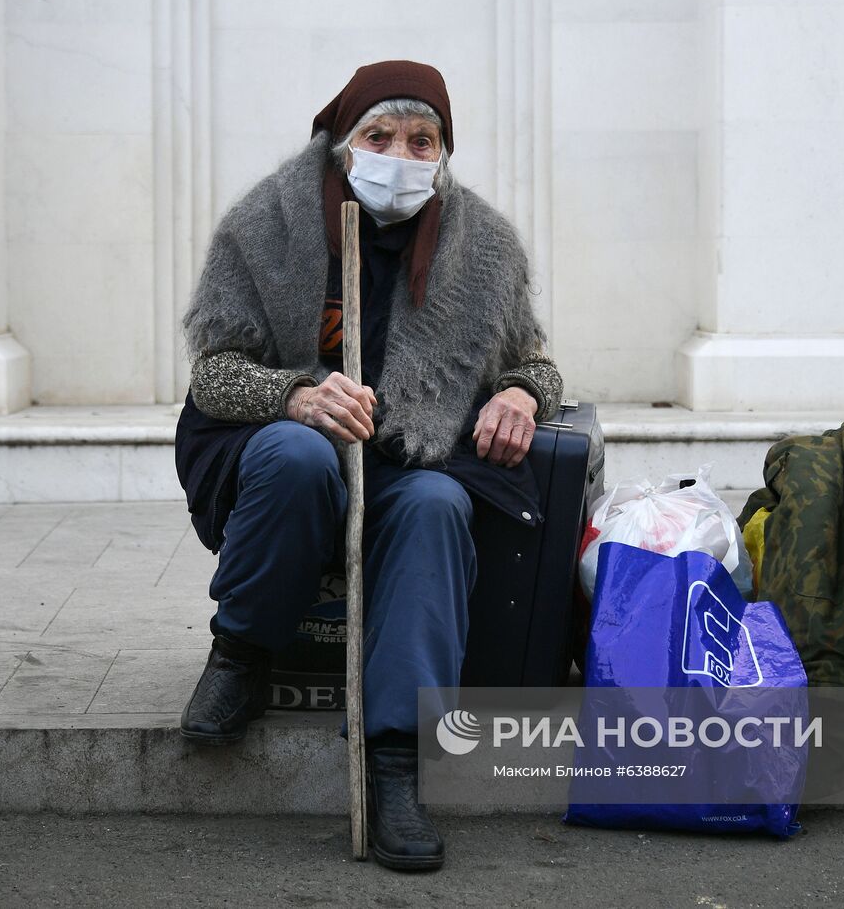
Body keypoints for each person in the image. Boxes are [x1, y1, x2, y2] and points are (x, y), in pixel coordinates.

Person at [173, 60, 563, 871]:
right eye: (379, 135)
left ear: (444, 152)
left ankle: (395, 760)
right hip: (278, 456)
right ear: (341, 142)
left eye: (422, 140)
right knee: (296, 455)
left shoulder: (485, 246)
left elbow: (538, 364)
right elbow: (213, 371)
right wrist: (295, 395)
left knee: (436, 506)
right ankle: (240, 655)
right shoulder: (266, 224)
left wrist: (522, 394)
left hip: (404, 458)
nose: (401, 153)